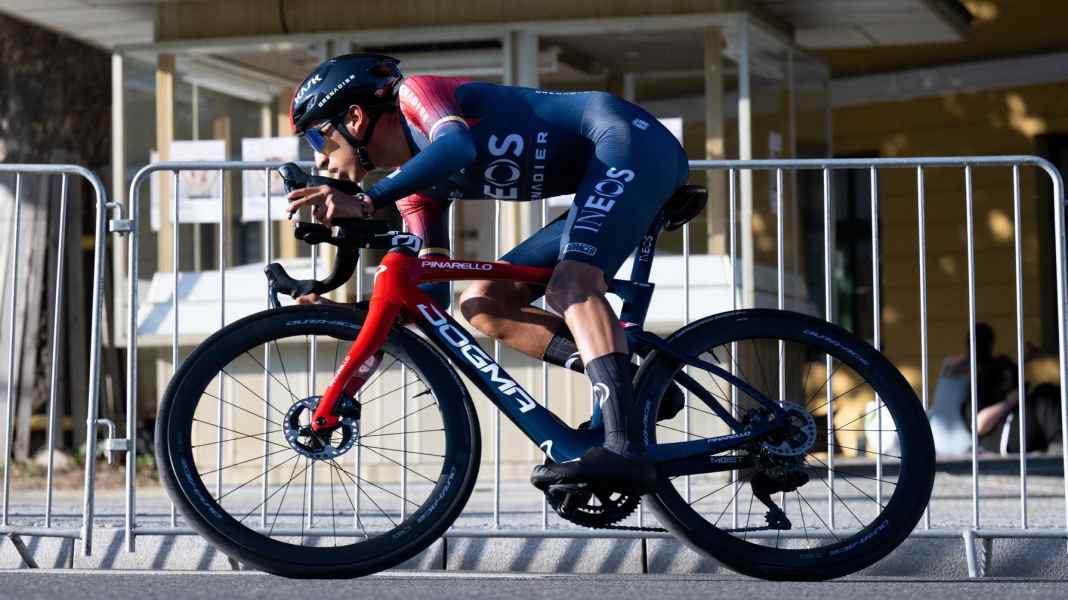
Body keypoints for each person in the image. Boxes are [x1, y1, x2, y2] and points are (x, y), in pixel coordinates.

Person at [285, 53, 691, 493]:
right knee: (482, 303)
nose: (320, 160)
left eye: (318, 138)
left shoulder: (416, 96)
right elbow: (431, 298)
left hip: (625, 140)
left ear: (357, 118)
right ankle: (634, 386)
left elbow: (457, 147)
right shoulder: (414, 189)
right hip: (602, 170)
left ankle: (623, 447)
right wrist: (349, 315)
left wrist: (367, 201)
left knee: (572, 284)